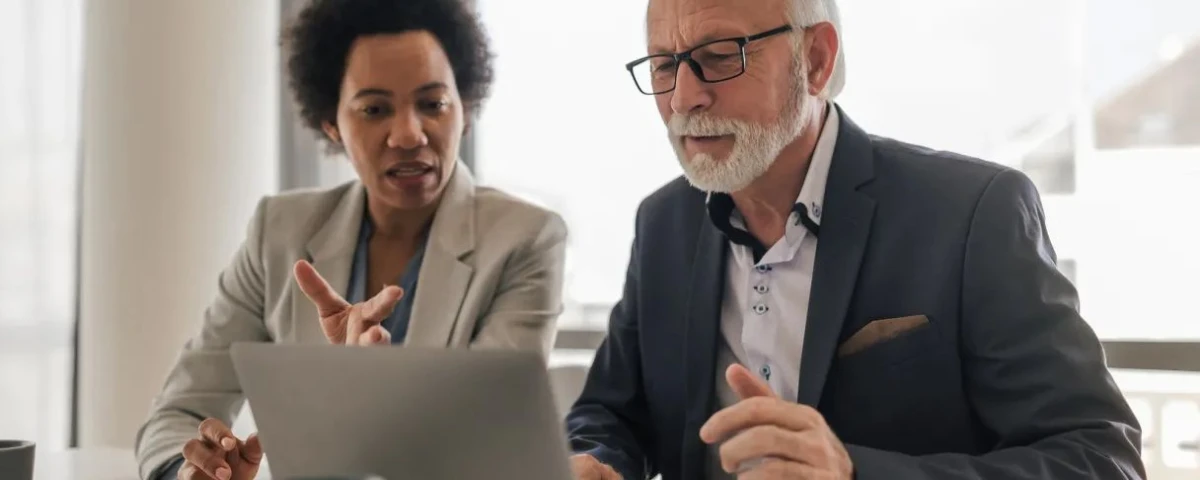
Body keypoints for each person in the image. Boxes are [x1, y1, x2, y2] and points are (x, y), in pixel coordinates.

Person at [565, 0, 1145, 479]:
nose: (683, 99)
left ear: (815, 60)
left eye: (719, 58)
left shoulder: (972, 213)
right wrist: (594, 460)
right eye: (665, 66)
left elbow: (1099, 458)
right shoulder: (663, 223)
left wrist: (852, 473)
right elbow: (609, 414)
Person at [134, 1, 568, 479]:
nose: (408, 134)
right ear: (331, 124)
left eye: (433, 104)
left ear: (465, 107)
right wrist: (191, 468)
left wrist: (369, 397)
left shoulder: (525, 240)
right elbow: (177, 412)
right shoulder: (278, 232)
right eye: (375, 109)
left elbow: (488, 436)